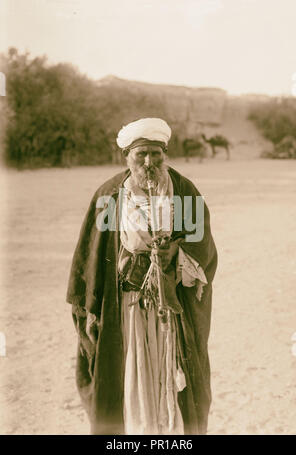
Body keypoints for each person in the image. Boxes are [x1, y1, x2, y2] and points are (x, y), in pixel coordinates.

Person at [66, 118, 218, 435]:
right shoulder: (110, 196)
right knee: (125, 377)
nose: (148, 162)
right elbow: (91, 256)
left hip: (171, 311)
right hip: (124, 308)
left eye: (155, 154)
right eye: (141, 155)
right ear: (127, 156)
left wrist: (173, 256)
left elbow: (202, 249)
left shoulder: (184, 194)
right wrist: (91, 308)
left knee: (175, 381)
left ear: (164, 154)